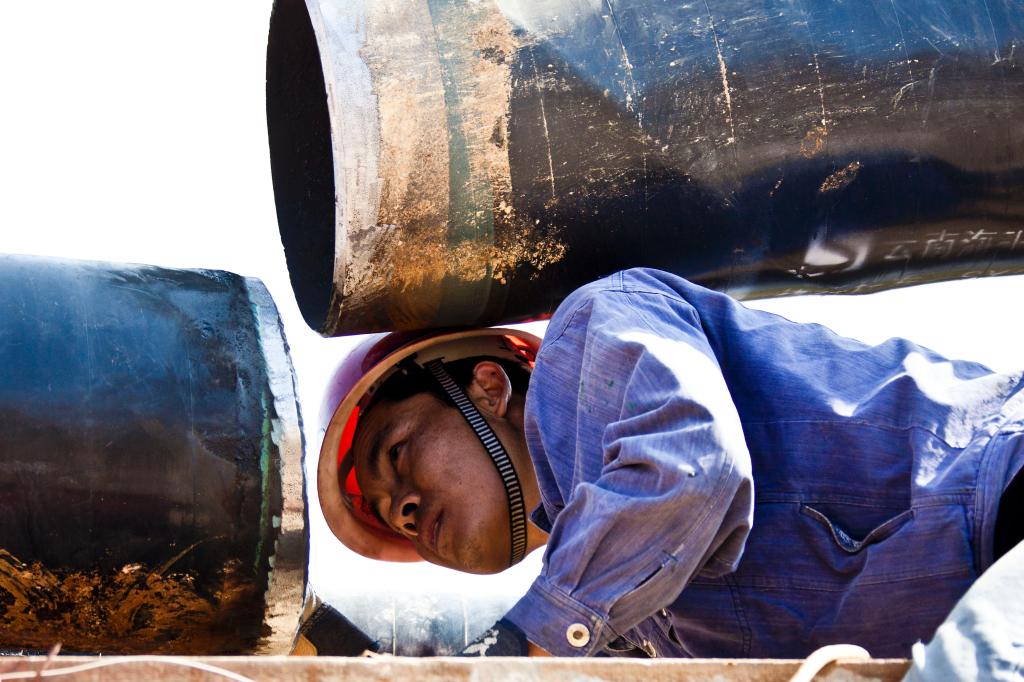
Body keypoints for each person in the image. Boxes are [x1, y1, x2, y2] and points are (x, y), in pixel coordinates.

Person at [316, 267, 1023, 659]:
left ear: (487, 387)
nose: (401, 508)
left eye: (396, 455)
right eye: (388, 515)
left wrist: (524, 646)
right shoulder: (633, 618)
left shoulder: (590, 333)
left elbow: (691, 462)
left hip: (1001, 505)